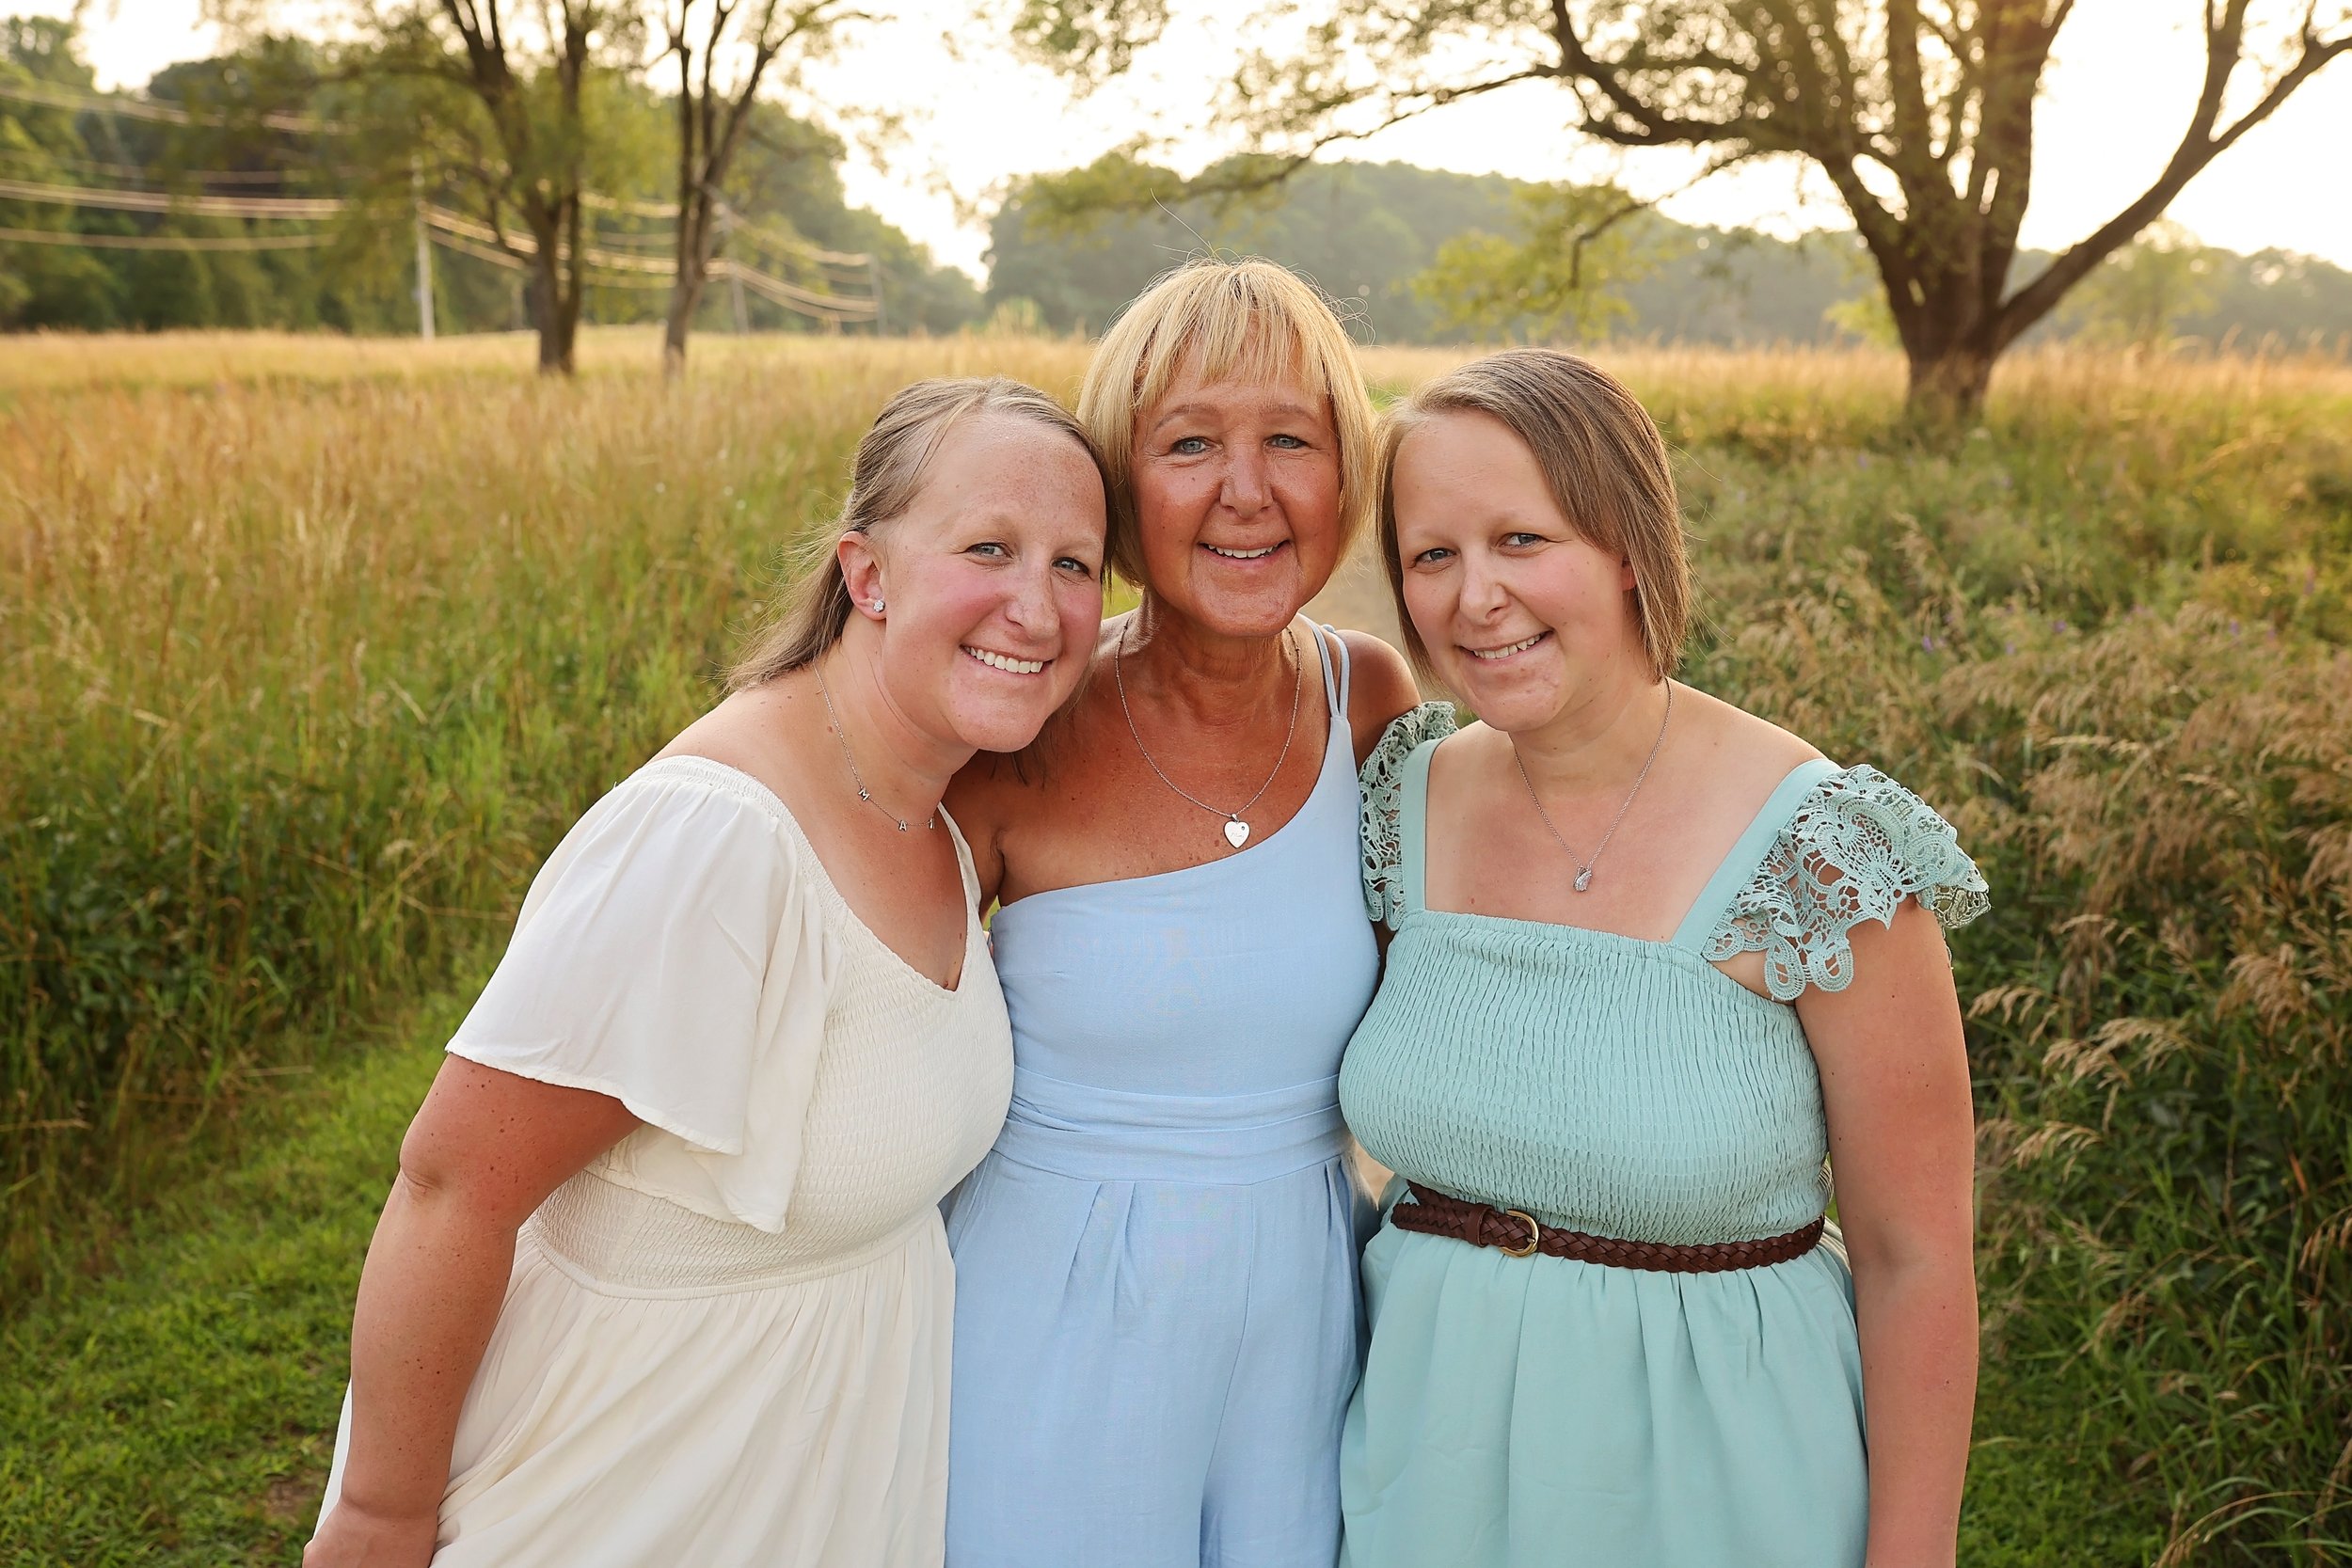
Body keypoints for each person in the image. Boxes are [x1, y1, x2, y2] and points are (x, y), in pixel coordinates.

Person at [304, 377, 1111, 1568]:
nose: (1035, 606)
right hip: (624, 1487)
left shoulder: (933, 818)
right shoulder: (718, 835)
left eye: (1077, 564)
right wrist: (377, 1519)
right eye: (988, 546)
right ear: (866, 573)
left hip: (809, 1483)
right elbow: (451, 1187)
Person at [1340, 349, 1987, 1568]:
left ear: (1629, 546)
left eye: (1523, 539)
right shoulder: (1398, 800)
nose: (1476, 595)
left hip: (1723, 1476)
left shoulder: (1819, 845)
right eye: (1434, 554)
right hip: (1425, 1459)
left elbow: (1916, 1256)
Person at [941, 259, 1421, 1568]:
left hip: (1303, 1323)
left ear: (1345, 474)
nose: (1246, 489)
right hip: (1046, 1316)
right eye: (1190, 442)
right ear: (1118, 483)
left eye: (1290, 440)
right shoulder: (1022, 721)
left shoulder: (1370, 696)